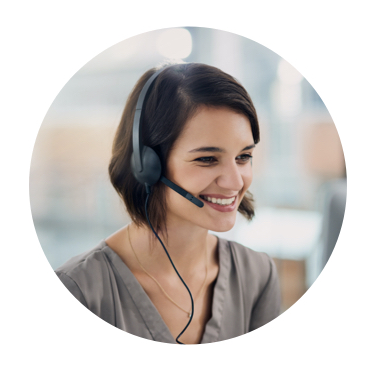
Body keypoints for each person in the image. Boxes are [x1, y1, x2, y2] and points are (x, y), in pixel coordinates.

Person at [55, 62, 281, 344]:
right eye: (207, 159)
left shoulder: (257, 275)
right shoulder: (78, 291)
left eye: (243, 157)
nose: (235, 182)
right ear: (146, 165)